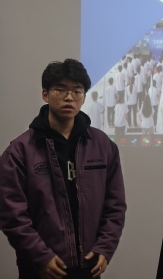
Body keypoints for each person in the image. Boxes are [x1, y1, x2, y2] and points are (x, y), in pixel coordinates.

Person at [0, 58, 126, 279]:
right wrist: (40, 256)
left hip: (89, 266)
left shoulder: (103, 145)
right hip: (41, 268)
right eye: (60, 90)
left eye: (77, 91)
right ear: (45, 94)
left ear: (83, 97)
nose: (69, 97)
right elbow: (11, 213)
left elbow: (114, 205)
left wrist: (105, 248)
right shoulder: (20, 150)